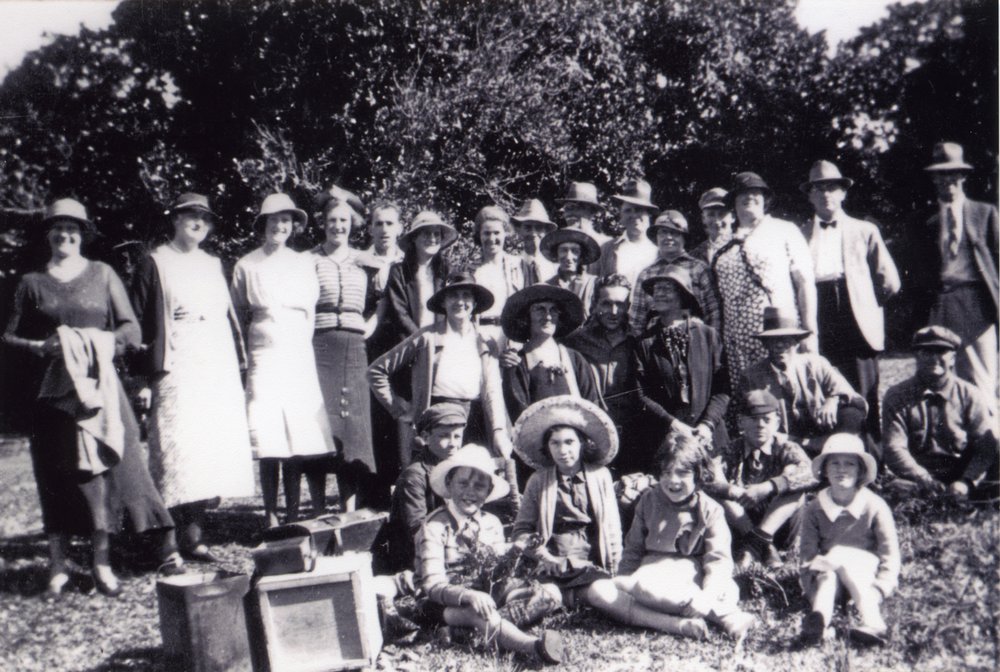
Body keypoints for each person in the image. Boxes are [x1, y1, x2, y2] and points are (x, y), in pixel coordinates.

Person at [4, 198, 175, 596]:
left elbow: (131, 329)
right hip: (52, 393)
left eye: (73, 229)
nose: (65, 235)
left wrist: (99, 342)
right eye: (58, 228)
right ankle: (58, 565)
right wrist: (38, 347)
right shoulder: (31, 283)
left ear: (83, 235)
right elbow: (8, 337)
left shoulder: (102, 274)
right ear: (47, 234)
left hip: (100, 391)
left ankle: (102, 562)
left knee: (104, 474)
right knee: (55, 475)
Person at [131, 192, 254, 566]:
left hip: (213, 365)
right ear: (175, 220)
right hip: (174, 365)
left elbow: (227, 319)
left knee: (204, 452)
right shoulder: (155, 261)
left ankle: (194, 536)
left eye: (204, 217)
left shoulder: (213, 264)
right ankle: (167, 544)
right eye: (190, 216)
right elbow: (137, 324)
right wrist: (142, 379)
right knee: (173, 454)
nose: (198, 222)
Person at [231, 193, 337, 527]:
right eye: (274, 220)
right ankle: (271, 515)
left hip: (297, 354)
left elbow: (310, 310)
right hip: (263, 354)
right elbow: (237, 312)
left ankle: (292, 514)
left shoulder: (304, 262)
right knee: (269, 435)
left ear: (293, 226)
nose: (280, 226)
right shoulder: (246, 265)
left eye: (286, 220)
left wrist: (300, 345)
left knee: (296, 434)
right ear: (263, 224)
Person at [587, 433, 757, 640]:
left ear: (698, 474)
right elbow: (633, 549)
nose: (673, 480)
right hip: (647, 578)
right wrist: (623, 582)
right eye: (666, 472)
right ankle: (678, 625)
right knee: (599, 591)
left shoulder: (710, 510)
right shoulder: (648, 500)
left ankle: (727, 616)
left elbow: (718, 561)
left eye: (682, 473)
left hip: (689, 580)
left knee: (649, 588)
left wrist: (707, 595)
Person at [414, 445, 564, 665]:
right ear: (449, 483)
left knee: (551, 593)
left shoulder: (491, 523)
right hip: (441, 602)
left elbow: (496, 567)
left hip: (485, 592)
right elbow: (432, 586)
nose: (470, 492)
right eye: (463, 483)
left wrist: (516, 550)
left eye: (479, 486)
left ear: (488, 491)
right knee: (480, 614)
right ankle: (534, 647)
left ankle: (463, 632)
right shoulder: (435, 526)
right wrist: (468, 595)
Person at [368, 272, 514, 469]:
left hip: (474, 419)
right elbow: (376, 371)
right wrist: (400, 410)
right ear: (443, 302)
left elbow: (493, 391)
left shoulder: (485, 341)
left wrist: (498, 430)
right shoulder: (427, 337)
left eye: (466, 295)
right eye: (453, 296)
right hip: (438, 417)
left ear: (475, 302)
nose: (460, 302)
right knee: (435, 476)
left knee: (471, 476)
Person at [800, 160, 900, 442]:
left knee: (863, 388)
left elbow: (889, 281)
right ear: (809, 196)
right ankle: (832, 453)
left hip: (855, 313)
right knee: (825, 383)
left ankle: (870, 456)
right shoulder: (801, 233)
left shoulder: (864, 230)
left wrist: (865, 304)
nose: (825, 194)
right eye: (818, 189)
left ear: (843, 193)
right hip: (818, 311)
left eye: (832, 188)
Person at [510, 396, 623, 618]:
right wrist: (544, 556)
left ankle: (573, 599)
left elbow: (612, 527)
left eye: (569, 442)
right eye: (555, 443)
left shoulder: (600, 476)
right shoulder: (538, 480)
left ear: (582, 443)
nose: (563, 450)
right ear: (547, 447)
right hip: (552, 565)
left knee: (604, 595)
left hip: (590, 563)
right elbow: (521, 531)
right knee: (546, 597)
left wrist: (615, 568)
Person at [907, 142, 998, 401]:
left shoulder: (985, 214)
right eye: (941, 174)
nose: (948, 180)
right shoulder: (923, 219)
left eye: (953, 173)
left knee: (980, 373)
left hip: (976, 302)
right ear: (934, 178)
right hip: (939, 302)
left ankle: (985, 423)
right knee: (937, 371)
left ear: (963, 175)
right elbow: (915, 269)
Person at [712, 171, 817, 393]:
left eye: (756, 192)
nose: (749, 196)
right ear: (733, 202)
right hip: (736, 339)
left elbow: (805, 283)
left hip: (776, 334)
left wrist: (810, 332)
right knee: (748, 397)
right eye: (743, 193)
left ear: (765, 198)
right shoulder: (723, 242)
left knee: (781, 392)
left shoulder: (784, 230)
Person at [310, 198, 380, 511]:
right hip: (320, 344)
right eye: (332, 220)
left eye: (344, 221)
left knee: (352, 428)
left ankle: (347, 506)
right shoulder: (308, 260)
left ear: (352, 225)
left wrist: (369, 327)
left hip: (354, 346)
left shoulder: (366, 261)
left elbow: (382, 299)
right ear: (323, 223)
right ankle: (316, 508)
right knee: (320, 424)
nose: (338, 226)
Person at [798, 434, 900, 646]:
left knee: (842, 558)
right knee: (827, 574)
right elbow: (807, 559)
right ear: (825, 470)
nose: (841, 469)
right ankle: (819, 623)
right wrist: (812, 589)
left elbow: (890, 555)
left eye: (849, 464)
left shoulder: (874, 505)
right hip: (829, 574)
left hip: (865, 575)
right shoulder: (814, 509)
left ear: (861, 471)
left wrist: (880, 588)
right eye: (834, 463)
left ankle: (874, 622)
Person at [882, 326, 999, 500]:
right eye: (926, 352)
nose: (934, 358)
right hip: (917, 477)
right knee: (896, 489)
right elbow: (894, 447)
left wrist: (966, 481)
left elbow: (985, 447)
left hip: (961, 474)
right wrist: (925, 480)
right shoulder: (897, 395)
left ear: (953, 358)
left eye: (941, 351)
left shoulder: (970, 394)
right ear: (916, 356)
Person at [704, 390, 816, 569]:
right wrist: (732, 491)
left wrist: (769, 486)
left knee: (794, 483)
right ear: (741, 422)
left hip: (783, 528)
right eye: (753, 419)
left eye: (767, 419)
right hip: (743, 525)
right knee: (720, 489)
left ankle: (756, 543)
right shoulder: (732, 450)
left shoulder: (785, 448)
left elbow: (811, 473)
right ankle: (764, 546)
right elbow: (706, 478)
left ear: (777, 422)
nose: (760, 425)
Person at [632, 267, 729, 464]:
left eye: (667, 288)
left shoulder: (708, 336)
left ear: (683, 295)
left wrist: (707, 424)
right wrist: (673, 424)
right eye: (656, 289)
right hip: (667, 441)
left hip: (708, 439)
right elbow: (640, 394)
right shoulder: (645, 343)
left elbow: (723, 389)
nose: (659, 294)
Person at [739, 306, 866, 451]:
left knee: (851, 413)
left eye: (786, 340)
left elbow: (853, 397)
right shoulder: (752, 376)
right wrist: (805, 443)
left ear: (796, 342)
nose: (780, 345)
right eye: (773, 341)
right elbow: (754, 422)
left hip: (823, 437)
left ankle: (839, 453)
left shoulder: (816, 363)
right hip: (782, 443)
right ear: (765, 344)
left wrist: (833, 399)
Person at [563, 274, 645, 475]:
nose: (614, 312)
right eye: (606, 304)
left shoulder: (639, 340)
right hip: (590, 431)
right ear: (594, 304)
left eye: (620, 304)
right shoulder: (575, 341)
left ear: (629, 306)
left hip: (632, 434)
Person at [382, 403, 468, 573]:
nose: (453, 443)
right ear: (425, 437)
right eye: (444, 436)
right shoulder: (415, 476)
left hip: (448, 547)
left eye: (457, 436)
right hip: (418, 559)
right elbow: (416, 529)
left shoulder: (456, 468)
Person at [500, 284, 601, 423]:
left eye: (553, 310)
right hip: (536, 434)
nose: (548, 316)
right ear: (527, 316)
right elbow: (520, 415)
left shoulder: (575, 359)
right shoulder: (517, 362)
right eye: (539, 309)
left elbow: (592, 406)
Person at [630, 210, 721, 336]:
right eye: (663, 232)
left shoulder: (699, 269)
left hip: (694, 337)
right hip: (656, 341)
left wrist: (710, 342)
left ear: (684, 238)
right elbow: (637, 319)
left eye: (675, 233)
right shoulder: (646, 274)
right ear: (656, 238)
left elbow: (713, 313)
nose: (668, 237)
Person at [382, 210, 457, 346]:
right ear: (414, 238)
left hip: (442, 342)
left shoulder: (446, 271)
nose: (432, 239)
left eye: (436, 234)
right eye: (426, 233)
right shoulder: (399, 272)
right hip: (409, 344)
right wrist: (421, 340)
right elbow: (399, 313)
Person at [471, 205, 526, 344]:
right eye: (486, 233)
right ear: (479, 235)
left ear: (505, 233)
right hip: (479, 336)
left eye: (496, 233)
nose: (492, 238)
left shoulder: (518, 266)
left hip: (511, 335)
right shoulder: (471, 270)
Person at [597, 178, 659, 290]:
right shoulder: (606, 249)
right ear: (621, 215)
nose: (633, 215)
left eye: (639, 210)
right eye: (628, 210)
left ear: (649, 214)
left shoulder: (657, 253)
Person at [540, 228, 601, 318]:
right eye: (563, 250)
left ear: (581, 256)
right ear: (557, 254)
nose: (568, 257)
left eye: (575, 251)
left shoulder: (594, 284)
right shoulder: (547, 286)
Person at [510, 198, 557, 286]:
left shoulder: (554, 269)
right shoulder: (512, 267)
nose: (533, 233)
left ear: (546, 232)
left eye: (538, 228)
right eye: (528, 227)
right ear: (519, 230)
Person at [556, 180, 612, 251]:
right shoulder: (559, 245)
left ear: (592, 212)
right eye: (567, 208)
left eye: (574, 207)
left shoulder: (605, 245)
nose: (569, 212)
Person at [690, 188, 734, 264]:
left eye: (722, 214)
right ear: (703, 219)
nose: (717, 221)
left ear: (733, 217)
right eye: (711, 215)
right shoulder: (694, 255)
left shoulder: (744, 247)